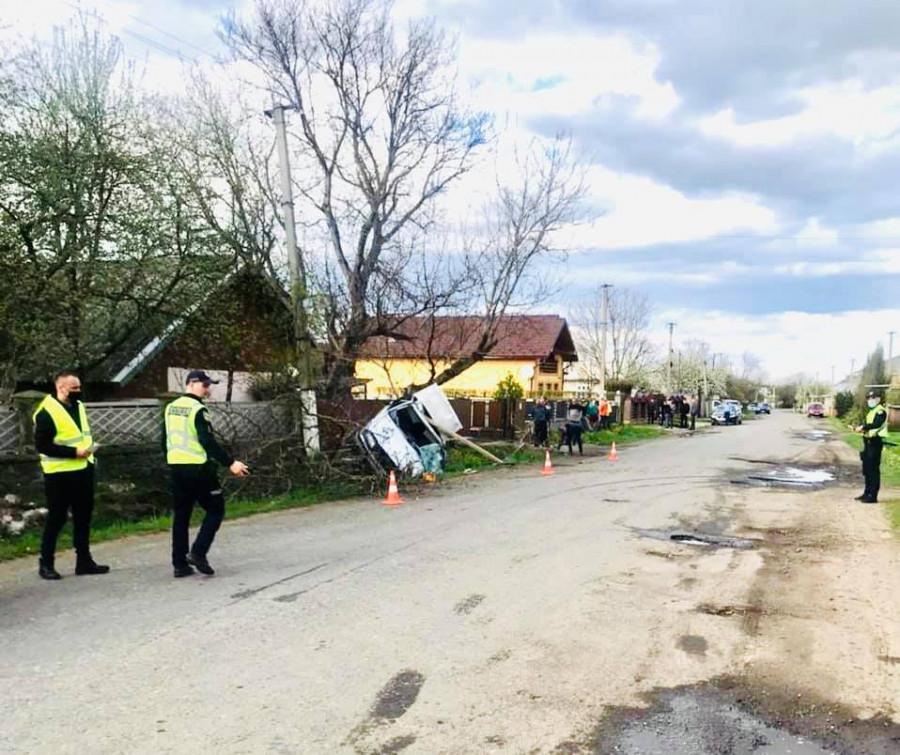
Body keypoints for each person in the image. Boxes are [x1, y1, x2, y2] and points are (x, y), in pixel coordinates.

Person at [164, 370, 249, 578]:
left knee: (181, 516)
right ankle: (198, 552)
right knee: (216, 509)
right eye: (204, 385)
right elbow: (207, 441)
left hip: (177, 468)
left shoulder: (170, 407)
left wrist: (171, 459)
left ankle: (180, 564)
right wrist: (230, 463)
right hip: (199, 469)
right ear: (191, 384)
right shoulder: (198, 409)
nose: (207, 389)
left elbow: (163, 439)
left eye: (208, 385)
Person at [33, 371, 109, 580]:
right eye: (74, 388)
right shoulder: (46, 412)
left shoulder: (78, 406)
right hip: (58, 475)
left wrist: (86, 452)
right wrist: (73, 452)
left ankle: (84, 561)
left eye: (79, 387)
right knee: (56, 519)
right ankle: (46, 563)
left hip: (83, 469)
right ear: (60, 387)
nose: (78, 391)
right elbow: (43, 446)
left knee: (83, 517)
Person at [854, 389, 888, 504]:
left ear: (878, 399)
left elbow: (877, 424)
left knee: (873, 470)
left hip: (875, 442)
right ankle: (867, 492)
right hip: (868, 442)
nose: (870, 400)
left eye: (873, 398)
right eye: (868, 398)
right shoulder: (871, 411)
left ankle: (873, 496)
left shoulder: (880, 411)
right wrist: (860, 428)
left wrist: (863, 427)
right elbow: (869, 425)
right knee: (867, 469)